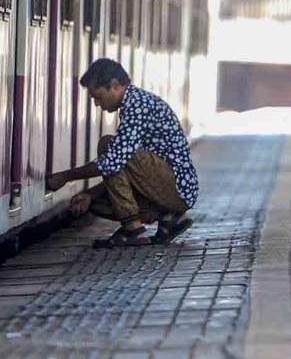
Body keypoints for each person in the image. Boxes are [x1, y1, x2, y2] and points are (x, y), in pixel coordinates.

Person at [46, 58, 199, 248]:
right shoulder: (133, 104)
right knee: (95, 203)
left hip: (177, 188)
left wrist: (66, 176)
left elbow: (113, 161)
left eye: (98, 97)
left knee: (107, 145)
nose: (96, 104)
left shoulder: (138, 104)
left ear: (115, 86)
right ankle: (170, 218)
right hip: (171, 188)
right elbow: (122, 168)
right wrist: (90, 194)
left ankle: (133, 229)